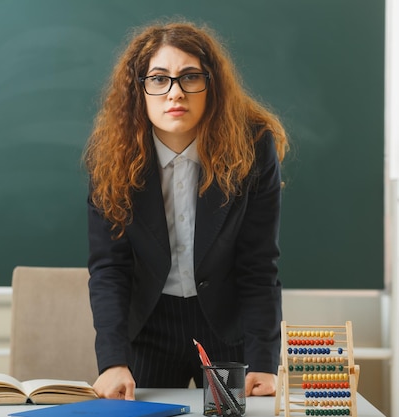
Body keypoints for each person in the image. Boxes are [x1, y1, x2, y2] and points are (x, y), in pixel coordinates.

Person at [83, 20, 289, 400]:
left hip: (228, 327)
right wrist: (112, 361)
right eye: (159, 79)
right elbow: (109, 268)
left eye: (190, 77)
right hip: (149, 327)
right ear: (138, 89)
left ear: (212, 85)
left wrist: (262, 360)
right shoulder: (111, 157)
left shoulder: (253, 147)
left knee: (233, 413)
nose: (175, 93)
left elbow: (259, 264)